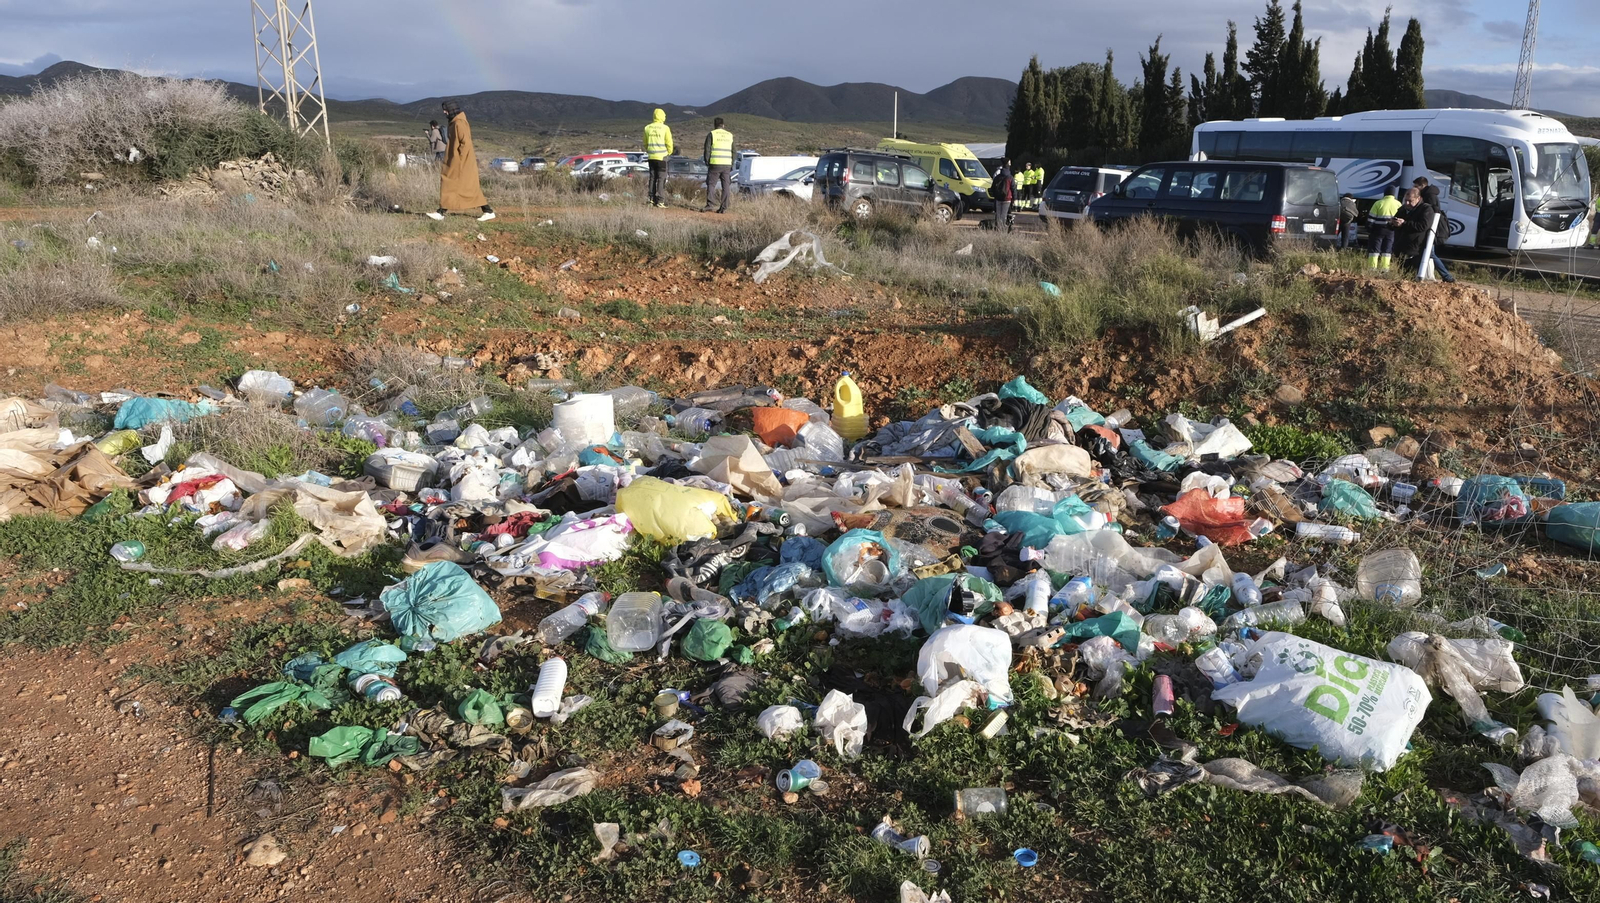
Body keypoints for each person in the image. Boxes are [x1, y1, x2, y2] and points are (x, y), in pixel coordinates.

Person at [427, 101, 494, 222]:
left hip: (460, 161)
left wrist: (461, 160)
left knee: (453, 184)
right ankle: (487, 211)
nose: (444, 112)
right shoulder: (455, 122)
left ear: (452, 110)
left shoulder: (459, 123)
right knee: (465, 187)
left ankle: (441, 212)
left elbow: (465, 143)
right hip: (457, 160)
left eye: (446, 109)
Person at [1412, 177, 1455, 282]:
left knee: (1430, 253)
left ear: (1422, 186)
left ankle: (1447, 276)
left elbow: (1432, 213)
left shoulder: (1429, 196)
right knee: (1428, 253)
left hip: (1430, 229)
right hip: (1431, 228)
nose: (1414, 188)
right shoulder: (1430, 194)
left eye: (1416, 186)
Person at [1392, 187, 1436, 276]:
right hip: (1400, 248)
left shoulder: (1426, 209)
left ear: (1418, 198)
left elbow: (1423, 226)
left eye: (1410, 201)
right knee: (1401, 275)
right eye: (1405, 200)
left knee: (1411, 275)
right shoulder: (1403, 209)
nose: (1407, 203)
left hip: (1415, 250)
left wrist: (1404, 223)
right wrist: (1392, 223)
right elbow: (1395, 225)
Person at [701, 117, 733, 214]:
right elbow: (734, 151)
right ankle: (724, 207)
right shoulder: (729, 135)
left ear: (715, 125)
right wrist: (731, 162)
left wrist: (707, 161)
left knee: (711, 184)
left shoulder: (712, 134)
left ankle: (710, 205)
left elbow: (707, 149)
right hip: (727, 164)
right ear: (723, 125)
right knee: (726, 186)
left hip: (715, 163)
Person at [643, 108, 674, 209]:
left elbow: (645, 143)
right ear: (662, 116)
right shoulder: (665, 128)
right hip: (662, 157)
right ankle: (660, 201)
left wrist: (649, 150)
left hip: (651, 157)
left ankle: (651, 199)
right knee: (661, 179)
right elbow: (669, 142)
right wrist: (669, 152)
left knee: (652, 178)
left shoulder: (647, 128)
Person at [1366, 186, 1401, 270]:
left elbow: (1371, 219)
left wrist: (1369, 228)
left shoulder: (1378, 203)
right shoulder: (1398, 204)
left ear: (1385, 193)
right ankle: (1384, 268)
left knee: (1375, 250)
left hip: (1378, 230)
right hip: (1391, 230)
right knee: (1387, 250)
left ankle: (1372, 268)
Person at [991, 161, 1014, 233]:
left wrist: (995, 196)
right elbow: (1013, 188)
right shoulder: (1010, 177)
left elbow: (992, 188)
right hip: (1007, 198)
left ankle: (998, 228)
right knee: (1004, 214)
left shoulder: (997, 177)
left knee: (998, 214)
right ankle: (1003, 229)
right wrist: (1014, 198)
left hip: (998, 198)